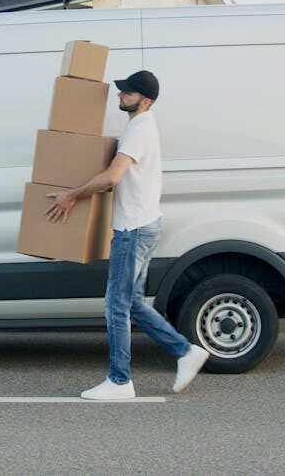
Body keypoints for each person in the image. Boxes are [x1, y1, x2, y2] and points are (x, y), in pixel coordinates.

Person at [45, 70, 209, 399]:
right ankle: (185, 351)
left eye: (128, 93)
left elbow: (112, 178)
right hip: (145, 223)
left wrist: (71, 195)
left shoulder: (140, 128)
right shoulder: (140, 125)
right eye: (122, 91)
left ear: (145, 100)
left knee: (115, 305)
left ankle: (120, 381)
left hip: (133, 229)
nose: (120, 95)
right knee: (131, 302)